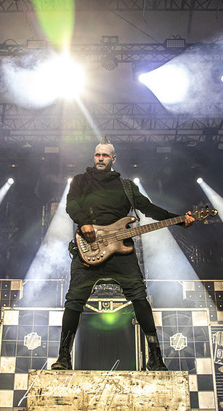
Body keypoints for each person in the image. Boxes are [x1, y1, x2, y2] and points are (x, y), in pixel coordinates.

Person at [51, 137, 195, 371]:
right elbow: (72, 205)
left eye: (105, 155)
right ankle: (64, 357)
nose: (100, 159)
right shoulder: (80, 180)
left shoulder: (126, 186)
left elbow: (148, 208)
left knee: (139, 297)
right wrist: (84, 222)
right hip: (88, 247)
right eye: (97, 154)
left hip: (121, 250)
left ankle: (155, 358)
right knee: (74, 300)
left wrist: (178, 219)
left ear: (113, 158)